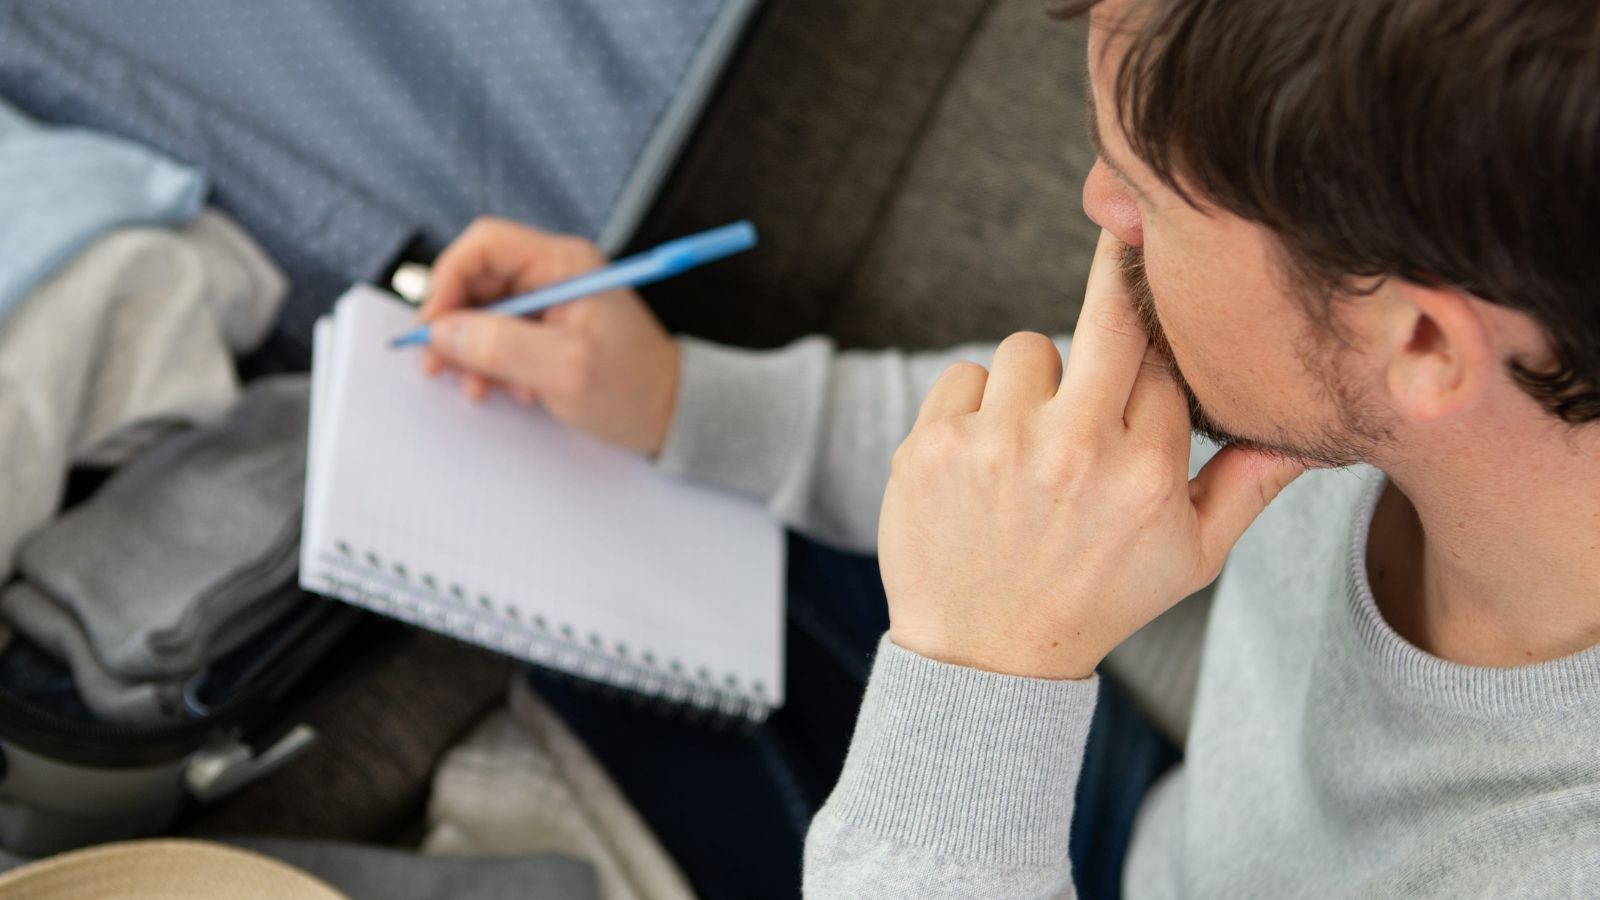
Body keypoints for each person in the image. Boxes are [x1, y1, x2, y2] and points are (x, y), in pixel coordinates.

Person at [415, 0, 1600, 895]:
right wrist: (678, 400)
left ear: (1427, 343)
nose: (1097, 204)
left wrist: (980, 681)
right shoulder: (1417, 402)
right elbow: (1050, 465)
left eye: (1150, 193)